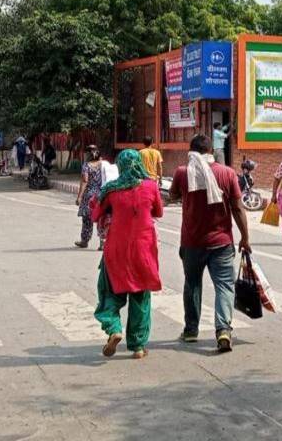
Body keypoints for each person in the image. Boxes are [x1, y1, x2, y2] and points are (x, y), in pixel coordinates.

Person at [169, 134, 251, 353]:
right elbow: (238, 208)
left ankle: (191, 331)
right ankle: (223, 330)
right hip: (222, 242)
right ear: (211, 151)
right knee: (224, 286)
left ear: (192, 152)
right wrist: (245, 237)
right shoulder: (227, 173)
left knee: (192, 284)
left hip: (192, 242)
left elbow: (173, 195)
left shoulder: (183, 173)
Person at [91, 149, 163, 359]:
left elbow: (96, 214)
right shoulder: (151, 186)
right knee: (141, 297)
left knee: (109, 293)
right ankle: (138, 346)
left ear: (120, 166)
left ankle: (114, 328)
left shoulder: (111, 190)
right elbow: (158, 212)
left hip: (116, 249)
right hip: (143, 250)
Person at [75, 145, 106, 249]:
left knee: (87, 219)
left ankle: (85, 240)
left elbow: (85, 181)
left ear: (87, 154)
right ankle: (102, 241)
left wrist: (79, 196)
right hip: (101, 194)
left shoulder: (86, 166)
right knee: (101, 218)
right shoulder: (103, 164)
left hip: (89, 195)